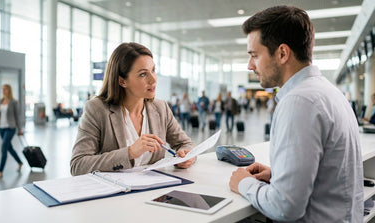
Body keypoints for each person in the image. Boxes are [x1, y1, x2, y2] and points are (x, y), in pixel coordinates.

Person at [229, 5, 363, 222]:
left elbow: (285, 208)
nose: (249, 65)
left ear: (282, 53)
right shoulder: (328, 93)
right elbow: (330, 173)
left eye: (254, 55)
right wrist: (280, 174)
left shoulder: (299, 103)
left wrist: (243, 183)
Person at [70, 42, 196, 175]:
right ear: (122, 81)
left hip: (156, 191)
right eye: (143, 74)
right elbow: (78, 165)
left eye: (153, 70)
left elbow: (185, 144)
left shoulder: (160, 108)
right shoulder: (97, 109)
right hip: (117, 192)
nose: (153, 80)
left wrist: (187, 156)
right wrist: (130, 152)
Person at [0, 84, 23, 179]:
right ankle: (19, 162)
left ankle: (0, 171)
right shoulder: (0, 101)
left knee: (4, 147)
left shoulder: (14, 102)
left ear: (9, 90)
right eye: (2, 89)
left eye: (5, 89)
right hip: (1, 128)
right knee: (9, 148)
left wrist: (20, 129)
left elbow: (17, 116)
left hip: (10, 128)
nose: (3, 91)